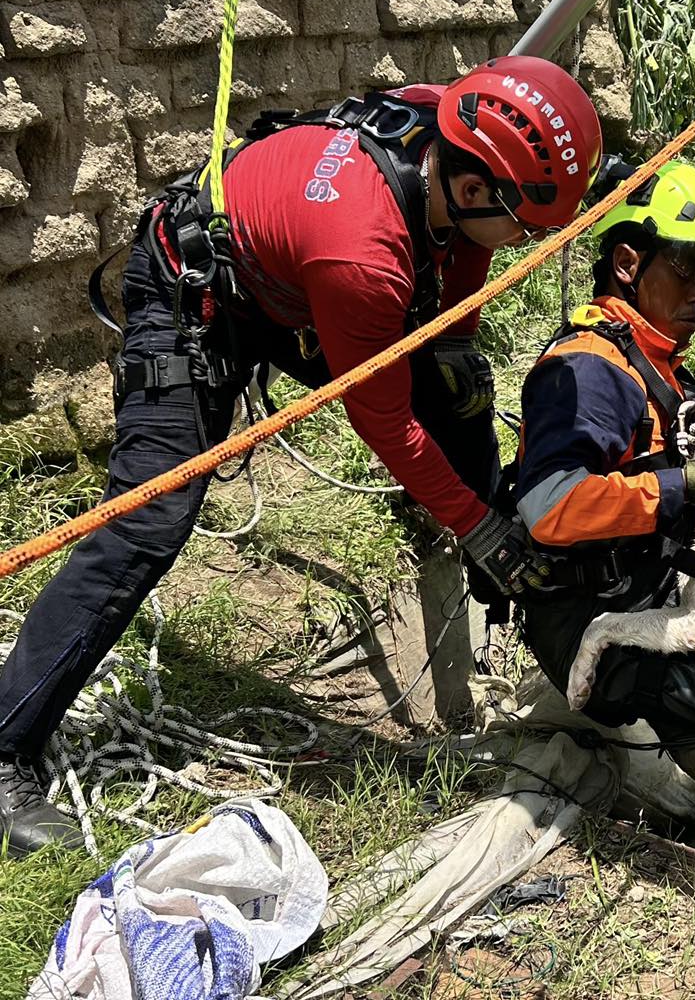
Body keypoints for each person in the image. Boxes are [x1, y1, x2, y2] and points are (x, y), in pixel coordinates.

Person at [0, 56, 603, 855]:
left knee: (456, 385)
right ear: (468, 189)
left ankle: (511, 571)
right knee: (149, 522)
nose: (529, 243)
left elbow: (454, 298)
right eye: (526, 226)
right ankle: (8, 742)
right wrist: (472, 521)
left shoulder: (445, 138)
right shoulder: (364, 258)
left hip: (282, 277)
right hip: (197, 290)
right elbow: (383, 424)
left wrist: (458, 415)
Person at [510, 161, 695, 746]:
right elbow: (547, 506)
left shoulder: (654, 366)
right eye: (688, 267)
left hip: (648, 588)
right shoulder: (590, 370)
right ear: (629, 264)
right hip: (581, 611)